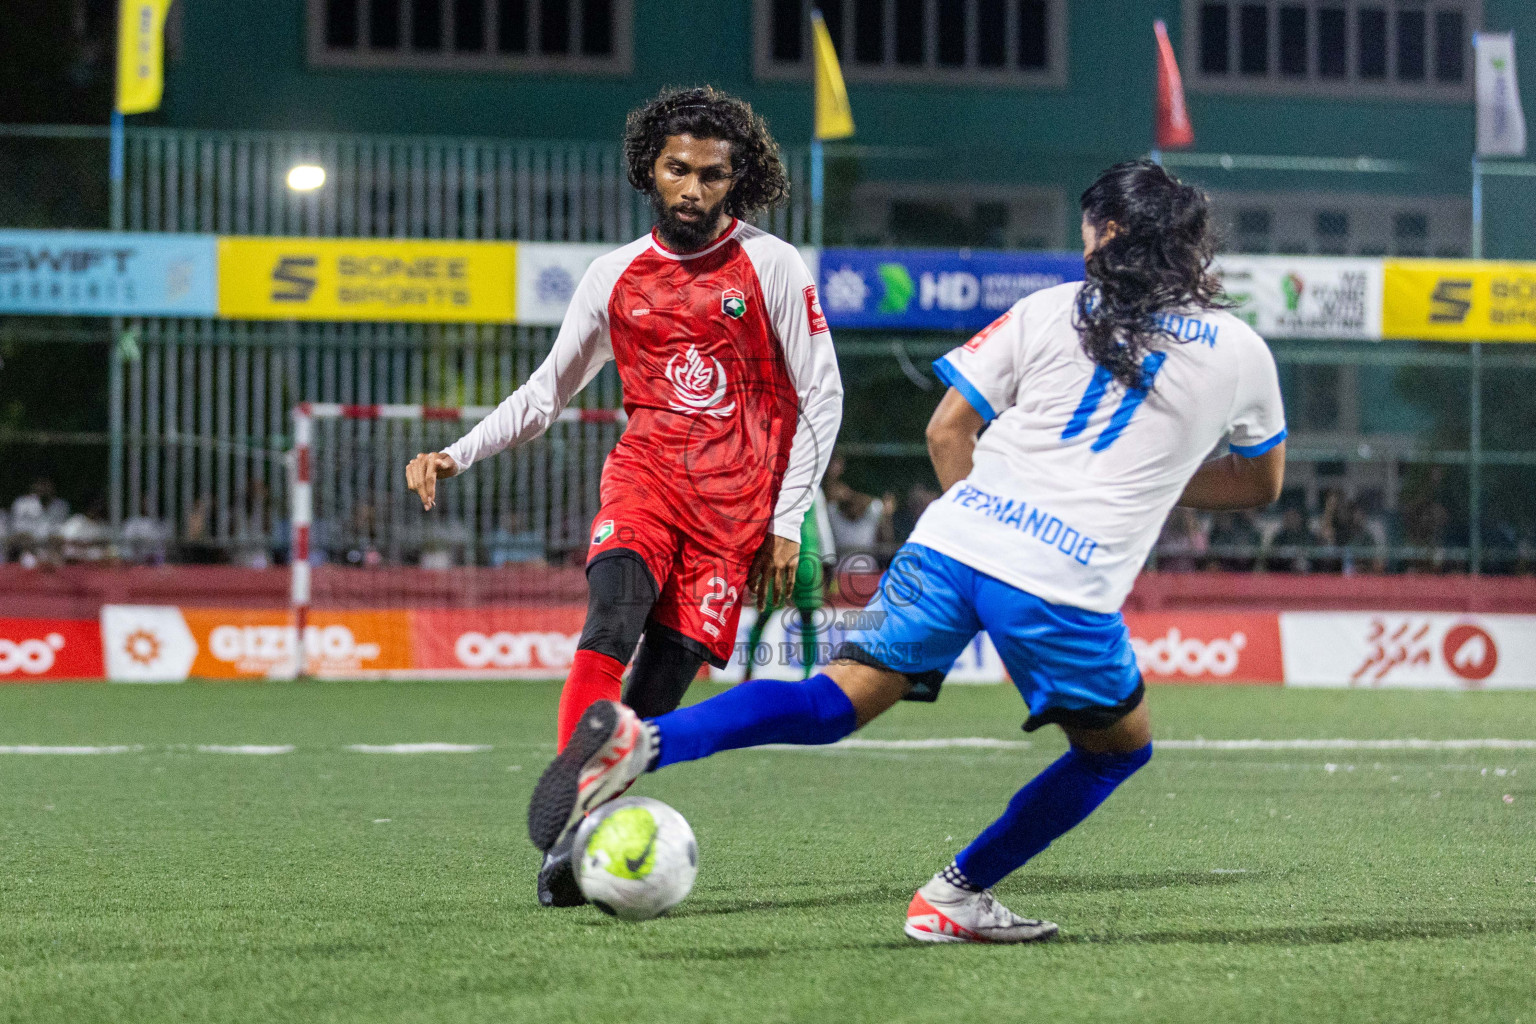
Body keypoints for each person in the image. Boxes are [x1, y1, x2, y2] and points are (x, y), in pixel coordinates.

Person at [527, 160, 1286, 943]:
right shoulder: (1240, 350)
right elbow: (1259, 484)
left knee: (832, 702)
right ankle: (956, 896)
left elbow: (945, 430)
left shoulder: (1049, 309)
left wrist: (990, 523)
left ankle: (639, 739)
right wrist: (1148, 479)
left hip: (952, 543)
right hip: (1060, 580)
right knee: (1116, 752)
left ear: (1110, 235)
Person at [404, 86, 842, 907]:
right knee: (610, 619)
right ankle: (569, 835)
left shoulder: (774, 265)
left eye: (713, 176)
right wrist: (455, 455)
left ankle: (590, 814)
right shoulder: (614, 277)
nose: (693, 189)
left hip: (735, 516)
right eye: (678, 169)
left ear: (736, 181)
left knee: (653, 702)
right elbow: (545, 393)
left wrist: (787, 520)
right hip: (644, 481)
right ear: (650, 168)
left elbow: (823, 394)